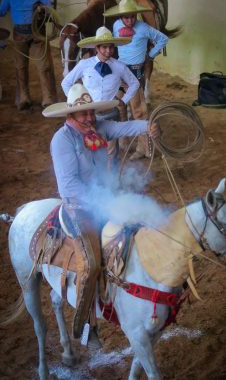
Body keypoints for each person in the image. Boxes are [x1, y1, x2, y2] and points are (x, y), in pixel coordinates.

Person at [42, 82, 160, 348]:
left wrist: (147, 127)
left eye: (91, 112)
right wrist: (105, 202)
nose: (89, 118)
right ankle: (85, 325)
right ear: (70, 116)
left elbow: (122, 128)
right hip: (78, 208)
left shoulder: (97, 128)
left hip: (102, 200)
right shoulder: (62, 140)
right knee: (92, 263)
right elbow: (68, 186)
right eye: (83, 114)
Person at [61, 26, 140, 168]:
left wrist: (123, 101)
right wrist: (75, 103)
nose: (108, 51)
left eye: (111, 47)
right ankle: (93, 182)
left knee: (112, 151)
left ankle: (112, 183)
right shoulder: (84, 65)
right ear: (96, 48)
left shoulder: (119, 67)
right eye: (104, 48)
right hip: (89, 115)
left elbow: (135, 83)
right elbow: (66, 83)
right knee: (89, 149)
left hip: (111, 112)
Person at [104, 0, 168, 160]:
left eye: (133, 16)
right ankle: (123, 142)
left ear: (136, 15)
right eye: (126, 17)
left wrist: (151, 55)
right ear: (120, 17)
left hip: (135, 73)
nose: (130, 20)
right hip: (120, 71)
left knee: (139, 111)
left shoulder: (144, 28)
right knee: (119, 107)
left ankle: (145, 148)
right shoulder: (116, 26)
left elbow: (163, 39)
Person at [0, 0, 56, 110]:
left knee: (44, 66)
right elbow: (1, 11)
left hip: (38, 32)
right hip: (19, 33)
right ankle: (24, 97)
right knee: (20, 66)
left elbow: (49, 7)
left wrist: (42, 8)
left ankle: (47, 98)